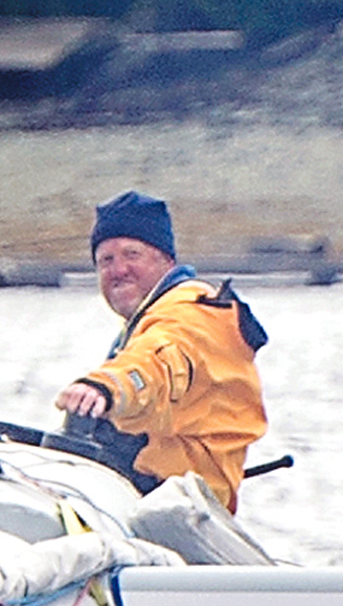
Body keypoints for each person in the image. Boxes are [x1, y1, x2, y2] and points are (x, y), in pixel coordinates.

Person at [51, 190, 267, 509]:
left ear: (166, 261)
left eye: (132, 254)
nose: (119, 269)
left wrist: (106, 387)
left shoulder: (191, 315)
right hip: (146, 487)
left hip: (180, 505)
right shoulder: (151, 317)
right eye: (106, 260)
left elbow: (156, 364)